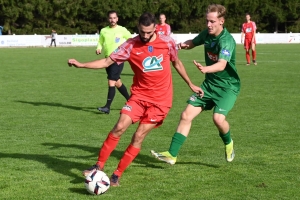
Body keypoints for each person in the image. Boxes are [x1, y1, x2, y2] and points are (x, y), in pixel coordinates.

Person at [68, 12, 203, 186]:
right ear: (137, 28)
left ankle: (117, 174)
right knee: (119, 127)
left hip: (161, 102)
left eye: (149, 32)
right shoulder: (130, 45)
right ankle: (98, 166)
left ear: (155, 28)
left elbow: (176, 62)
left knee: (138, 136)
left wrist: (191, 84)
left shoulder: (167, 42)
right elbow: (106, 62)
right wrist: (81, 64)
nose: (145, 36)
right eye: (142, 32)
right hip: (139, 97)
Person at [151, 4, 240, 165]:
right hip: (209, 85)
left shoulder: (226, 41)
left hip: (227, 87)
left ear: (221, 21)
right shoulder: (207, 34)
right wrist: (182, 46)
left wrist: (206, 68)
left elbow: (221, 65)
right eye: (207, 21)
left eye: (212, 21)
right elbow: (193, 42)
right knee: (186, 115)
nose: (208, 25)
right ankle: (172, 155)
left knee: (218, 119)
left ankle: (228, 143)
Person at [96, 10, 131, 114]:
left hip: (118, 59)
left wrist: (124, 49)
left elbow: (131, 40)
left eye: (114, 18)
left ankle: (107, 107)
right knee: (117, 82)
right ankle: (131, 100)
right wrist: (99, 48)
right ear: (108, 19)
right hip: (108, 60)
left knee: (111, 81)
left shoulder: (122, 30)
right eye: (110, 18)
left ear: (117, 19)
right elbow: (100, 41)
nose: (112, 20)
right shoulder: (103, 30)